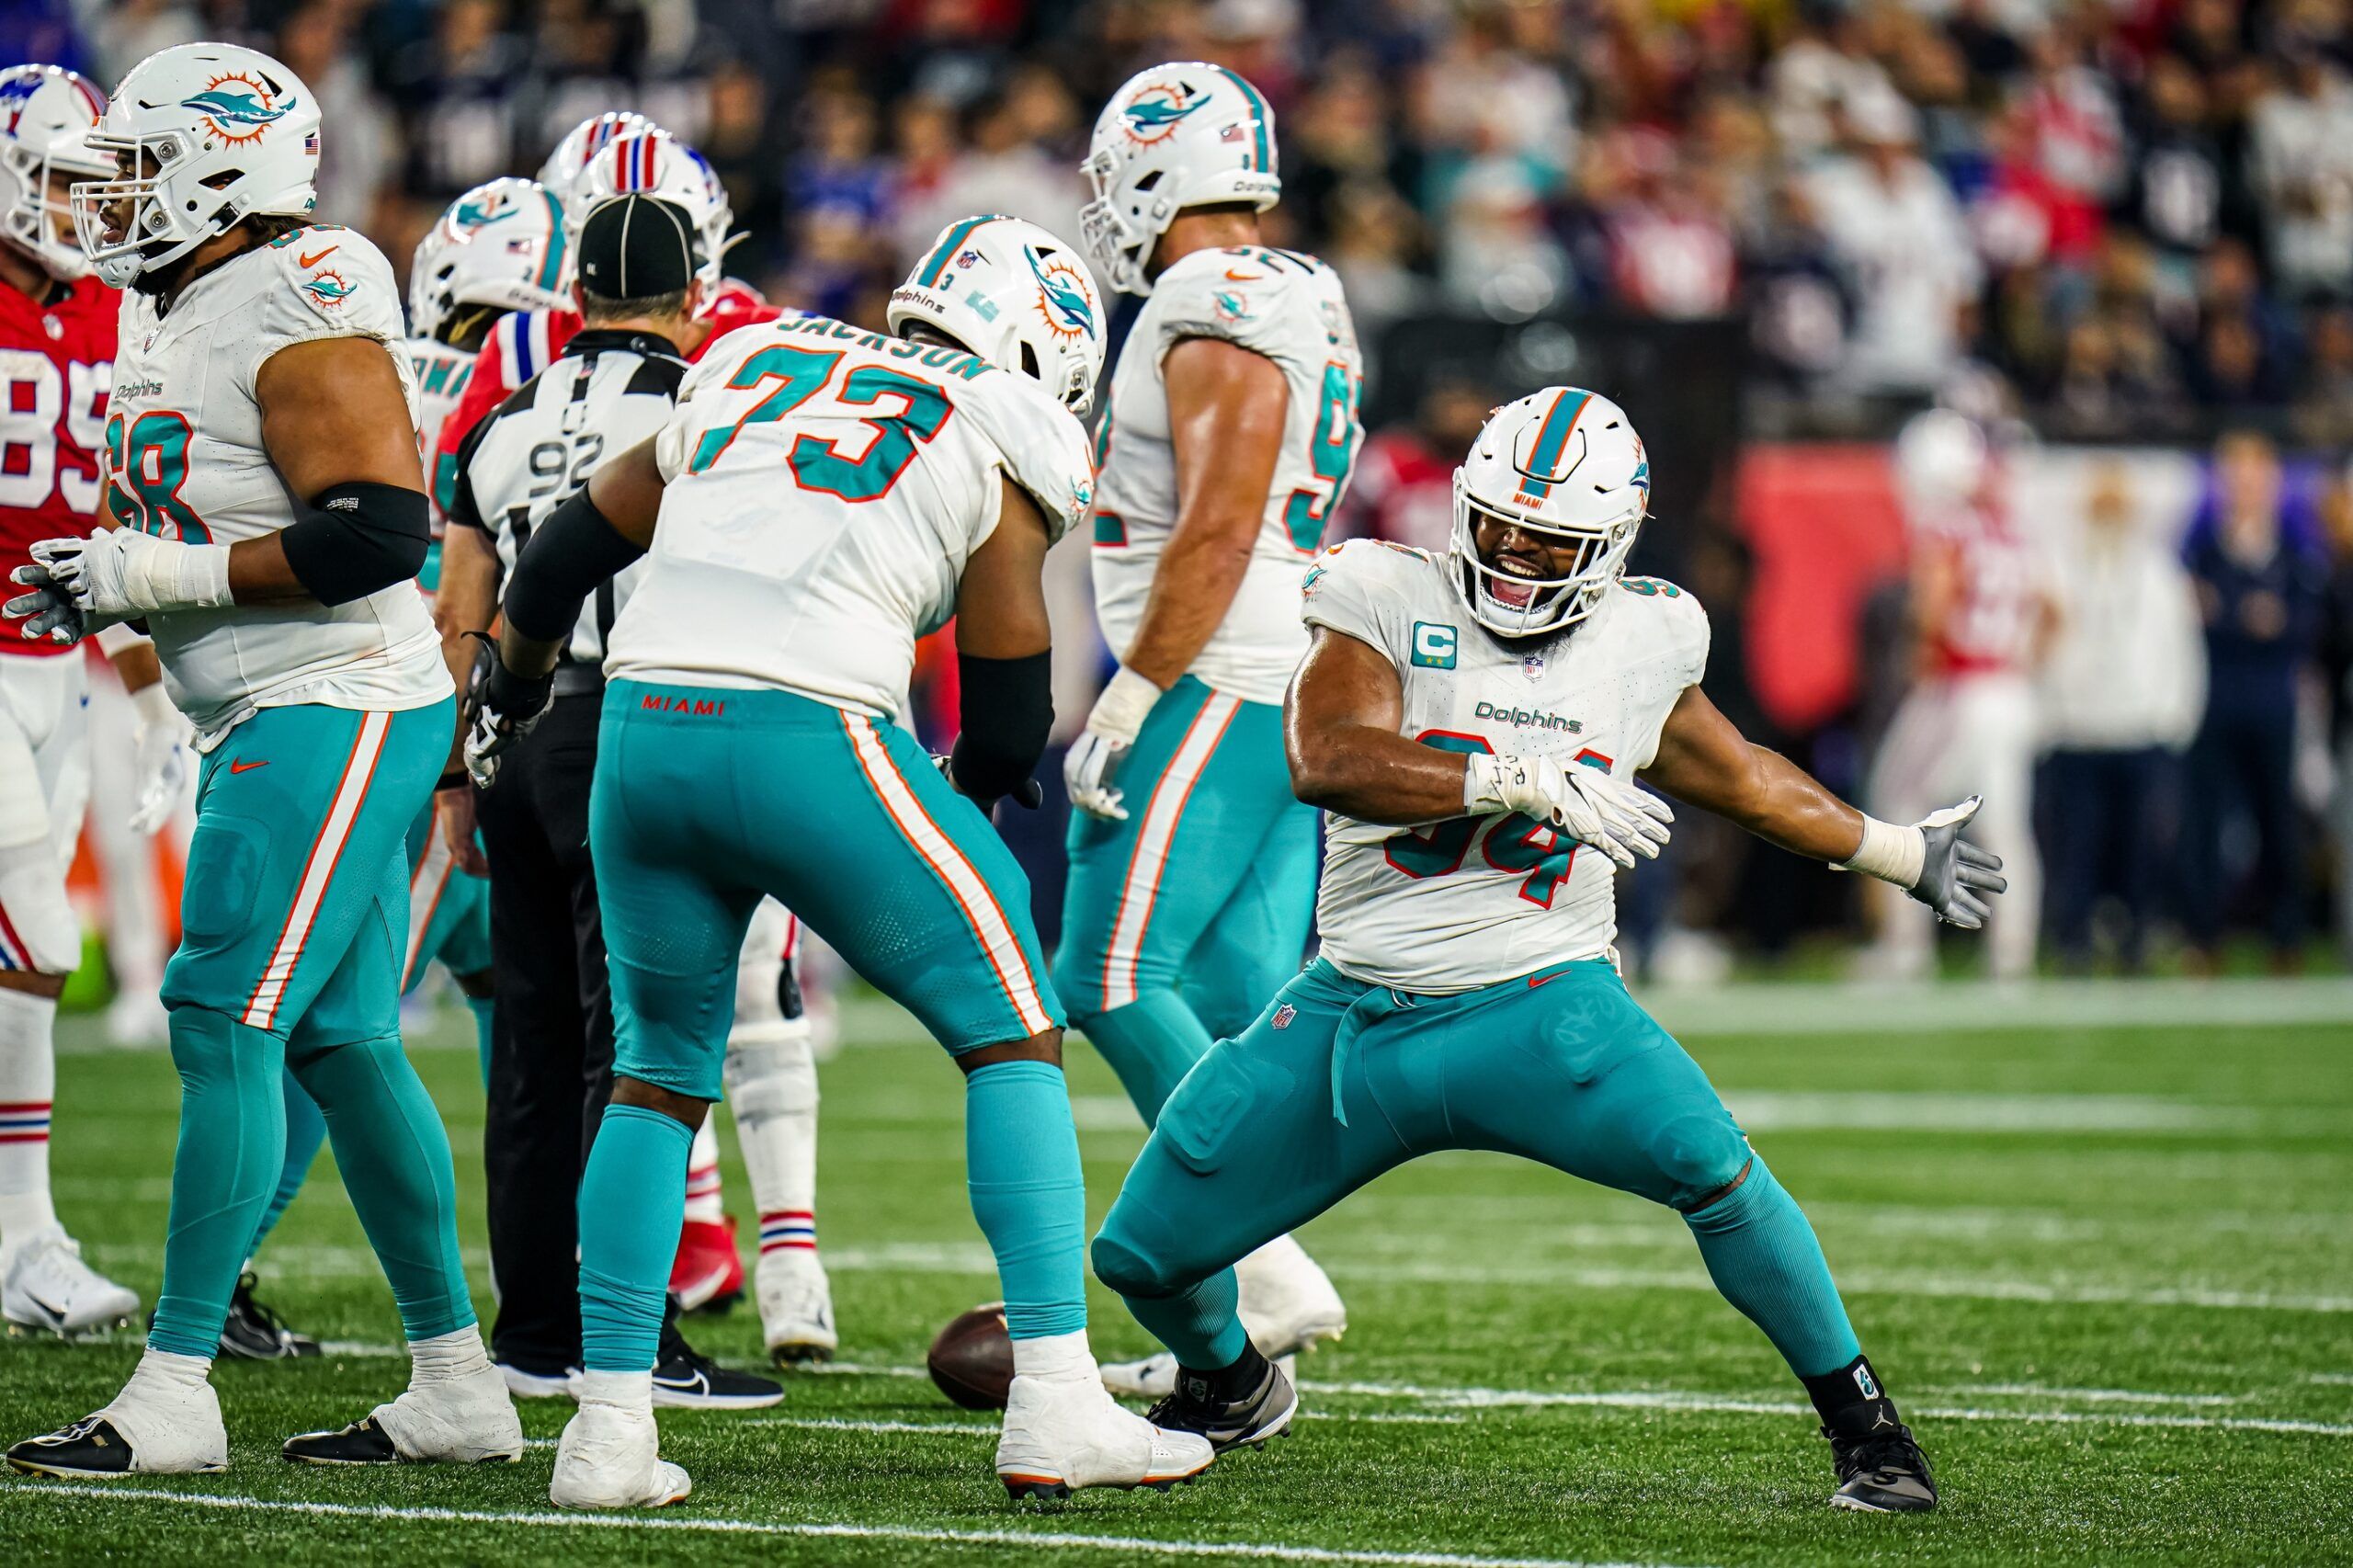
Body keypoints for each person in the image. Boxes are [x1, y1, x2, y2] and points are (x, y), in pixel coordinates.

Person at [1088, 387, 2004, 1514]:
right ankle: (1230, 1383)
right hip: (1356, 1018)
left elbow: (1743, 776)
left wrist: (1893, 848)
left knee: (1716, 1168)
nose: (1515, 555)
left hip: (1548, 1008)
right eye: (1500, 525)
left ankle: (1867, 1426)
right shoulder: (1381, 590)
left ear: (1610, 544)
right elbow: (1327, 755)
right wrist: (1515, 777)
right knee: (1138, 1254)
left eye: (1548, 539)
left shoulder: (1642, 633)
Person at [467, 214, 1214, 1508]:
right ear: (1042, 352)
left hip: (641, 732)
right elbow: (1004, 712)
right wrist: (968, 800)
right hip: (810, 731)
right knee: (1016, 1027)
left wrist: (513, 686)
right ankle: (1056, 1399)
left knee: (651, 1078)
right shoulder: (998, 427)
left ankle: (608, 1434)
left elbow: (567, 550)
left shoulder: (750, 362)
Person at [3, 41, 518, 1476]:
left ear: (224, 172)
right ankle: (457, 1385)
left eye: (141, 170)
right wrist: (117, 596)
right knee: (345, 1041)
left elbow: (377, 531)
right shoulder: (187, 299)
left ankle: (172, 1389)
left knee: (223, 1018)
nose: (110, 202)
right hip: (270, 706)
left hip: (334, 696)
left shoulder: (300, 287)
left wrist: (152, 583)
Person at [439, 191, 781, 1409]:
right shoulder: (700, 404)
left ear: (571, 299)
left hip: (513, 725)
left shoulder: (502, 415)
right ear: (693, 298)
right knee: (629, 1040)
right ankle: (622, 1330)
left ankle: (533, 1326)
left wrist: (457, 766)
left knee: (528, 1042)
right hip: (632, 722)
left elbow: (462, 605)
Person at [1057, 61, 1353, 1396]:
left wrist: (1136, 685)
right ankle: (1261, 1277)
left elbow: (1222, 516)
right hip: (1278, 659)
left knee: (1109, 973)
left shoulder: (1209, 293)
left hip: (1221, 668)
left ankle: (1261, 1264)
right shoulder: (1300, 287)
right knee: (1237, 1001)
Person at [0, 62, 155, 1337]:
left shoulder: (112, 314)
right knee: (42, 942)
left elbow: (113, 520)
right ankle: (26, 1238)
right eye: (57, 176)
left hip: (59, 666)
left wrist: (155, 691)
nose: (76, 205)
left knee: (24, 952)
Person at [1860, 409, 2053, 981]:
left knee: (1897, 806)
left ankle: (1905, 949)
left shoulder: (1946, 527)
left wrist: (1925, 650)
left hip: (1959, 689)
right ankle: (2013, 955)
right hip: (2009, 688)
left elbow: (1935, 609)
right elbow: (2056, 611)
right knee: (2007, 825)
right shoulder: (2011, 529)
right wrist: (2021, 661)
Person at [2036, 461, 2206, 971]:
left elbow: (2182, 646)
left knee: (2142, 848)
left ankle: (2136, 941)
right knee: (2077, 851)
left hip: (2139, 728)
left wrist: (2177, 716)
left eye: (2116, 506)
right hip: (2077, 729)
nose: (2108, 515)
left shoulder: (2158, 571)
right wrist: (2047, 714)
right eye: (2100, 506)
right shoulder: (2059, 567)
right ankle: (2074, 943)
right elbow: (2040, 644)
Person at [2182, 430, 2326, 969]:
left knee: (2276, 822)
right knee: (2204, 822)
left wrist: (2257, 619)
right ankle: (2204, 937)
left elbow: (2304, 624)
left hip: (2270, 703)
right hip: (2212, 701)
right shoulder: (2201, 549)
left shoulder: (2293, 551)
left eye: (2254, 474)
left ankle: (2285, 936)